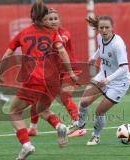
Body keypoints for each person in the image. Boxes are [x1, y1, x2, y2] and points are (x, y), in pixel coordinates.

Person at [0, 1, 78, 159]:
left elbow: (7, 55)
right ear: (44, 17)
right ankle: (60, 126)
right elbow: (62, 52)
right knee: (40, 109)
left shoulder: (23, 33)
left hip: (32, 80)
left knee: (14, 112)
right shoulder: (52, 33)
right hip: (52, 81)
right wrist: (71, 72)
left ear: (32, 16)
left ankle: (26, 145)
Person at [68, 15, 130, 145]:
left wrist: (109, 79)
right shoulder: (100, 37)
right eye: (101, 27)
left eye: (107, 27)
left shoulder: (117, 44)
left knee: (99, 111)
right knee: (84, 101)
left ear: (112, 28)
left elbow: (124, 68)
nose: (103, 30)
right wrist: (94, 57)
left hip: (119, 83)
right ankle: (80, 124)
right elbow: (101, 48)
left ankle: (96, 136)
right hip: (103, 76)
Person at [27, 8, 86, 138]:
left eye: (55, 19)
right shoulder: (44, 34)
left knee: (64, 95)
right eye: (50, 19)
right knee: (38, 100)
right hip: (54, 72)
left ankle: (78, 125)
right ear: (45, 21)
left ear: (60, 20)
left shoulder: (63, 33)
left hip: (69, 69)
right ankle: (32, 128)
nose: (53, 21)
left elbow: (60, 44)